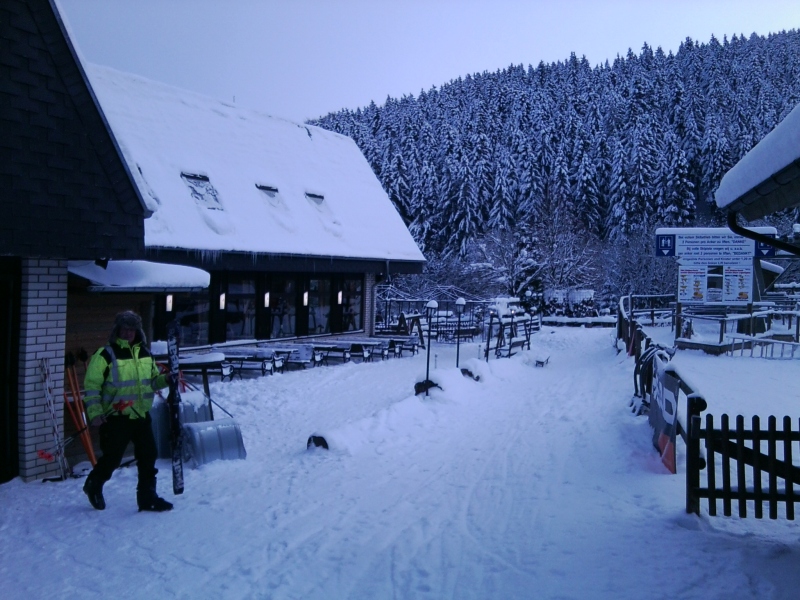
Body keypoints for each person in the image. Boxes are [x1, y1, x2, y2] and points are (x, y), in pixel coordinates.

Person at [82, 311, 174, 512]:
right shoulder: (105, 354)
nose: (128, 333)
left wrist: (166, 379)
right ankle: (94, 484)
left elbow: (152, 382)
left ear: (138, 332)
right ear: (117, 330)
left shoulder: (145, 354)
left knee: (148, 456)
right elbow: (91, 386)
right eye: (125, 329)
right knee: (112, 458)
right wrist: (95, 413)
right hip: (116, 417)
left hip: (140, 415)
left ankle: (147, 498)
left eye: (132, 330)